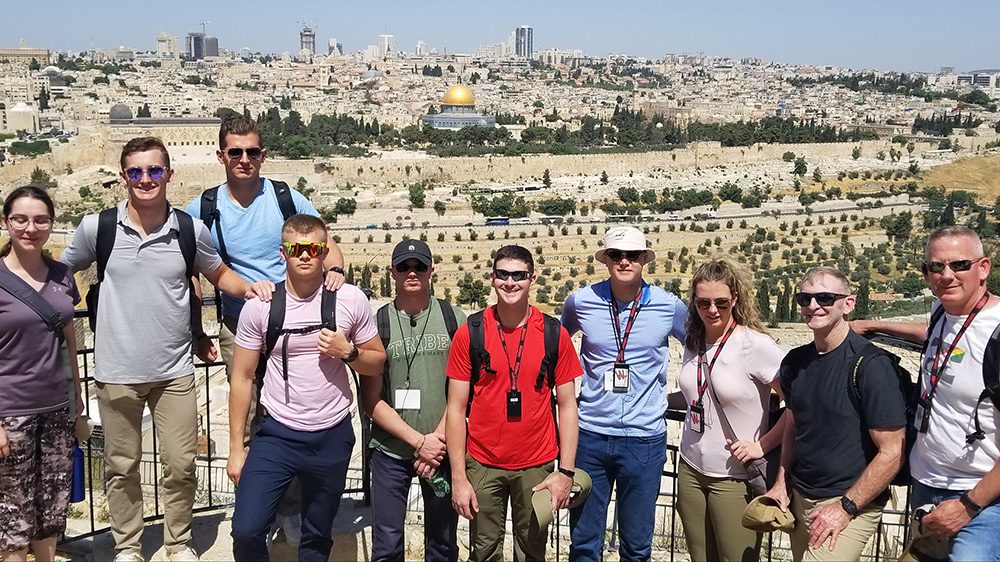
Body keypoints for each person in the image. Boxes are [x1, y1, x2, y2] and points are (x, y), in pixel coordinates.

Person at [61, 137, 271, 562]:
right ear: (123, 177)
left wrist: (254, 290)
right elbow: (61, 275)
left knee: (180, 465)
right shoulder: (96, 228)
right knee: (122, 468)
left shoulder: (190, 229)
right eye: (136, 172)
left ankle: (177, 542)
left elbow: (218, 273)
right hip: (116, 370)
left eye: (154, 171)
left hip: (174, 371)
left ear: (169, 175)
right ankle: (128, 546)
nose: (145, 180)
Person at [227, 214, 386, 561]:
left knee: (317, 534)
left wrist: (349, 352)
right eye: (296, 248)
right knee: (247, 528)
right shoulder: (261, 307)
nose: (304, 255)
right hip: (277, 434)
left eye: (313, 249)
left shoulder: (350, 300)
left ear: (324, 252)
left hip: (331, 434)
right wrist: (236, 448)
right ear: (283, 253)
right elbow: (241, 377)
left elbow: (377, 360)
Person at [185, 115, 345, 427]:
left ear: (263, 155)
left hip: (294, 322)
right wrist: (198, 334)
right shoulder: (202, 208)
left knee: (296, 411)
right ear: (221, 157)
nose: (244, 160)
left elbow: (326, 241)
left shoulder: (285, 198)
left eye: (252, 152)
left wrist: (336, 270)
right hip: (238, 323)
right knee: (245, 417)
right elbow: (189, 268)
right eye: (235, 153)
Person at [852, 226, 1000, 560]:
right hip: (928, 484)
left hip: (982, 498)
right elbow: (936, 335)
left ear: (984, 267)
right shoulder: (941, 311)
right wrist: (872, 326)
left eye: (960, 265)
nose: (947, 275)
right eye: (936, 267)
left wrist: (969, 505)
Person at [446, 245, 582, 562]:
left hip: (537, 466)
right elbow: (455, 409)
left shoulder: (553, 333)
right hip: (482, 464)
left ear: (531, 279)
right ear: (492, 279)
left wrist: (565, 472)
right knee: (483, 552)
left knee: (532, 551)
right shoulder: (471, 333)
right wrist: (458, 477)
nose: (511, 282)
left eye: (519, 275)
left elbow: (568, 406)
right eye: (503, 274)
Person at [560, 226, 687, 561]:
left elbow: (703, 349)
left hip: (644, 439)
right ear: (606, 260)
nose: (624, 261)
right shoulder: (582, 301)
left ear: (644, 259)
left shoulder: (668, 306)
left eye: (633, 255)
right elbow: (555, 347)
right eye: (616, 255)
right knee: (584, 542)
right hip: (591, 436)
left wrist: (686, 395)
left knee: (636, 546)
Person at [764, 266, 906, 561]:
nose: (813, 306)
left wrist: (845, 507)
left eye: (825, 298)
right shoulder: (794, 362)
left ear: (848, 303)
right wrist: (781, 483)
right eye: (805, 299)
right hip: (801, 497)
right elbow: (793, 425)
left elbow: (893, 451)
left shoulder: (871, 366)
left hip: (850, 500)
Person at [669, 258, 787, 562]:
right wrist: (656, 402)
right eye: (703, 303)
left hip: (734, 478)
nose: (712, 310)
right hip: (690, 469)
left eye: (721, 302)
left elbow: (801, 405)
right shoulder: (694, 341)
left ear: (735, 299)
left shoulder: (755, 346)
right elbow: (697, 395)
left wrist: (762, 445)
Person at [360, 239, 465, 562]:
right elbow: (371, 400)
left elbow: (463, 391)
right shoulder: (377, 324)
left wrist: (436, 441)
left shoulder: (454, 318)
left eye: (419, 265)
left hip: (443, 449)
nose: (412, 272)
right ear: (392, 272)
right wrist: (421, 442)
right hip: (391, 451)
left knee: (443, 541)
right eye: (404, 266)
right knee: (387, 544)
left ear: (431, 270)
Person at [0, 187, 83, 562]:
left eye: (40, 220)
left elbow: (69, 340)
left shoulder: (63, 276)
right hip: (10, 413)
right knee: (12, 516)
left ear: (51, 225)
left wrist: (78, 401)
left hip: (56, 410)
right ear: (6, 223)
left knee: (51, 509)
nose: (30, 228)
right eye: (20, 219)